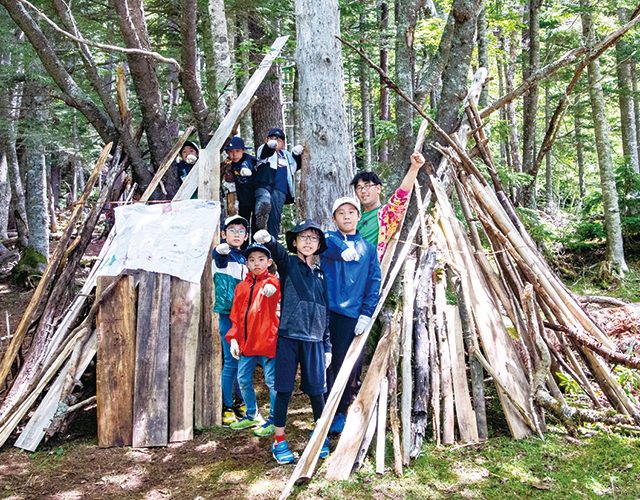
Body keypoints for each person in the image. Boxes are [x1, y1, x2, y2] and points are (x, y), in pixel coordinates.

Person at [254, 221, 332, 464]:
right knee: (283, 390)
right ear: (295, 242)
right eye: (303, 237)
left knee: (318, 391)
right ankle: (279, 441)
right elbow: (277, 252)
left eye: (313, 237)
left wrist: (327, 345)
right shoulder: (289, 265)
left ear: (319, 244)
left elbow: (325, 311)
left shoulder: (321, 274)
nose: (307, 241)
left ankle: (320, 437)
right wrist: (267, 240)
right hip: (288, 337)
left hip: (315, 341)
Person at [320, 197, 381, 435]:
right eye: (341, 213)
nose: (346, 216)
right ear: (334, 218)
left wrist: (366, 313)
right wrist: (344, 249)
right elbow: (326, 241)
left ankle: (344, 409)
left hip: (352, 316)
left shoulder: (368, 249)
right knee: (327, 363)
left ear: (358, 216)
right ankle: (326, 409)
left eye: (351, 212)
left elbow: (373, 282)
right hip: (326, 312)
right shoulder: (328, 241)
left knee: (350, 365)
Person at [226, 243, 281, 437]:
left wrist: (270, 288)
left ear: (269, 262)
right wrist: (233, 339)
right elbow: (235, 316)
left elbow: (274, 288)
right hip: (246, 344)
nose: (256, 263)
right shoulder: (241, 287)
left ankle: (275, 419)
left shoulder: (272, 281)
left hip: (268, 341)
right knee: (243, 379)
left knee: (272, 381)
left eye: (261, 259)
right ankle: (252, 414)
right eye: (251, 260)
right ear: (246, 263)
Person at [351, 151, 426, 260]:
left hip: (369, 272)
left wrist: (414, 168)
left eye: (367, 186)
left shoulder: (385, 215)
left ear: (378, 188)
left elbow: (401, 196)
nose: (363, 191)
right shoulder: (354, 218)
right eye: (359, 187)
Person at [212, 215, 249, 425]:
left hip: (245, 317)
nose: (237, 234)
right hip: (228, 314)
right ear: (224, 234)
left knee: (242, 360)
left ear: (245, 236)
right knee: (230, 361)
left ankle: (241, 401)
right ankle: (226, 406)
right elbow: (219, 256)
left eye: (241, 231)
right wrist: (220, 250)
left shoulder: (245, 258)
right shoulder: (222, 255)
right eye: (232, 230)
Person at [254, 127, 303, 238]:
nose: (276, 141)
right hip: (264, 185)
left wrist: (296, 154)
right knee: (262, 206)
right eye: (273, 138)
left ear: (284, 143)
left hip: (281, 190)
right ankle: (258, 237)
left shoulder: (286, 155)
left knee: (275, 218)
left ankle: (272, 242)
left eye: (279, 140)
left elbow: (296, 165)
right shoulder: (263, 148)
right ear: (267, 139)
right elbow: (264, 153)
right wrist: (270, 145)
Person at [222, 136, 257, 225]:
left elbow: (247, 164)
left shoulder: (248, 159)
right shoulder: (229, 163)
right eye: (231, 151)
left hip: (255, 197)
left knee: (256, 224)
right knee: (243, 223)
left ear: (243, 150)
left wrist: (245, 169)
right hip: (243, 199)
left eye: (237, 151)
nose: (234, 154)